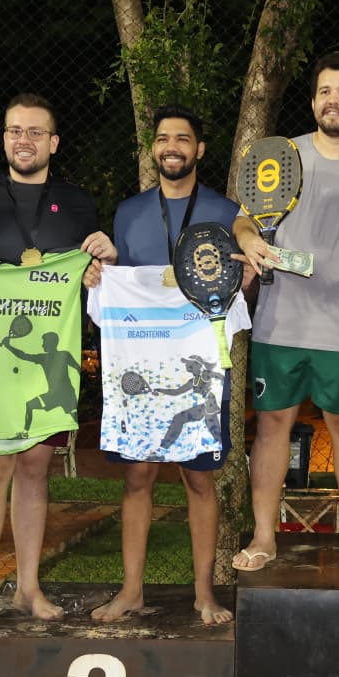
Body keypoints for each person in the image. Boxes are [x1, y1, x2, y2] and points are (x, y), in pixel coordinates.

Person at [0, 92, 117, 637]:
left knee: (34, 469)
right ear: (4, 137)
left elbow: (86, 277)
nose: (23, 140)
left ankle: (29, 587)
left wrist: (101, 260)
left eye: (35, 132)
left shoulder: (77, 204)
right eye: (14, 131)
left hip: (46, 361)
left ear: (53, 142)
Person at [233, 52, 339, 577]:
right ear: (313, 101)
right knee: (271, 428)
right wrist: (250, 243)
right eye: (325, 90)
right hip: (281, 323)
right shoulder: (283, 157)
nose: (334, 99)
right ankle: (264, 538)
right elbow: (243, 223)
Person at [90, 105, 243, 625]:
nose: (171, 146)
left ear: (200, 150)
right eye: (162, 139)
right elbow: (123, 286)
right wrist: (101, 274)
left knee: (199, 482)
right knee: (137, 478)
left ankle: (204, 593)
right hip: (143, 369)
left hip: (199, 369)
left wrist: (246, 278)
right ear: (152, 150)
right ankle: (131, 590)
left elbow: (242, 287)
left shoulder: (227, 214)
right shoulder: (129, 213)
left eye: (182, 137)